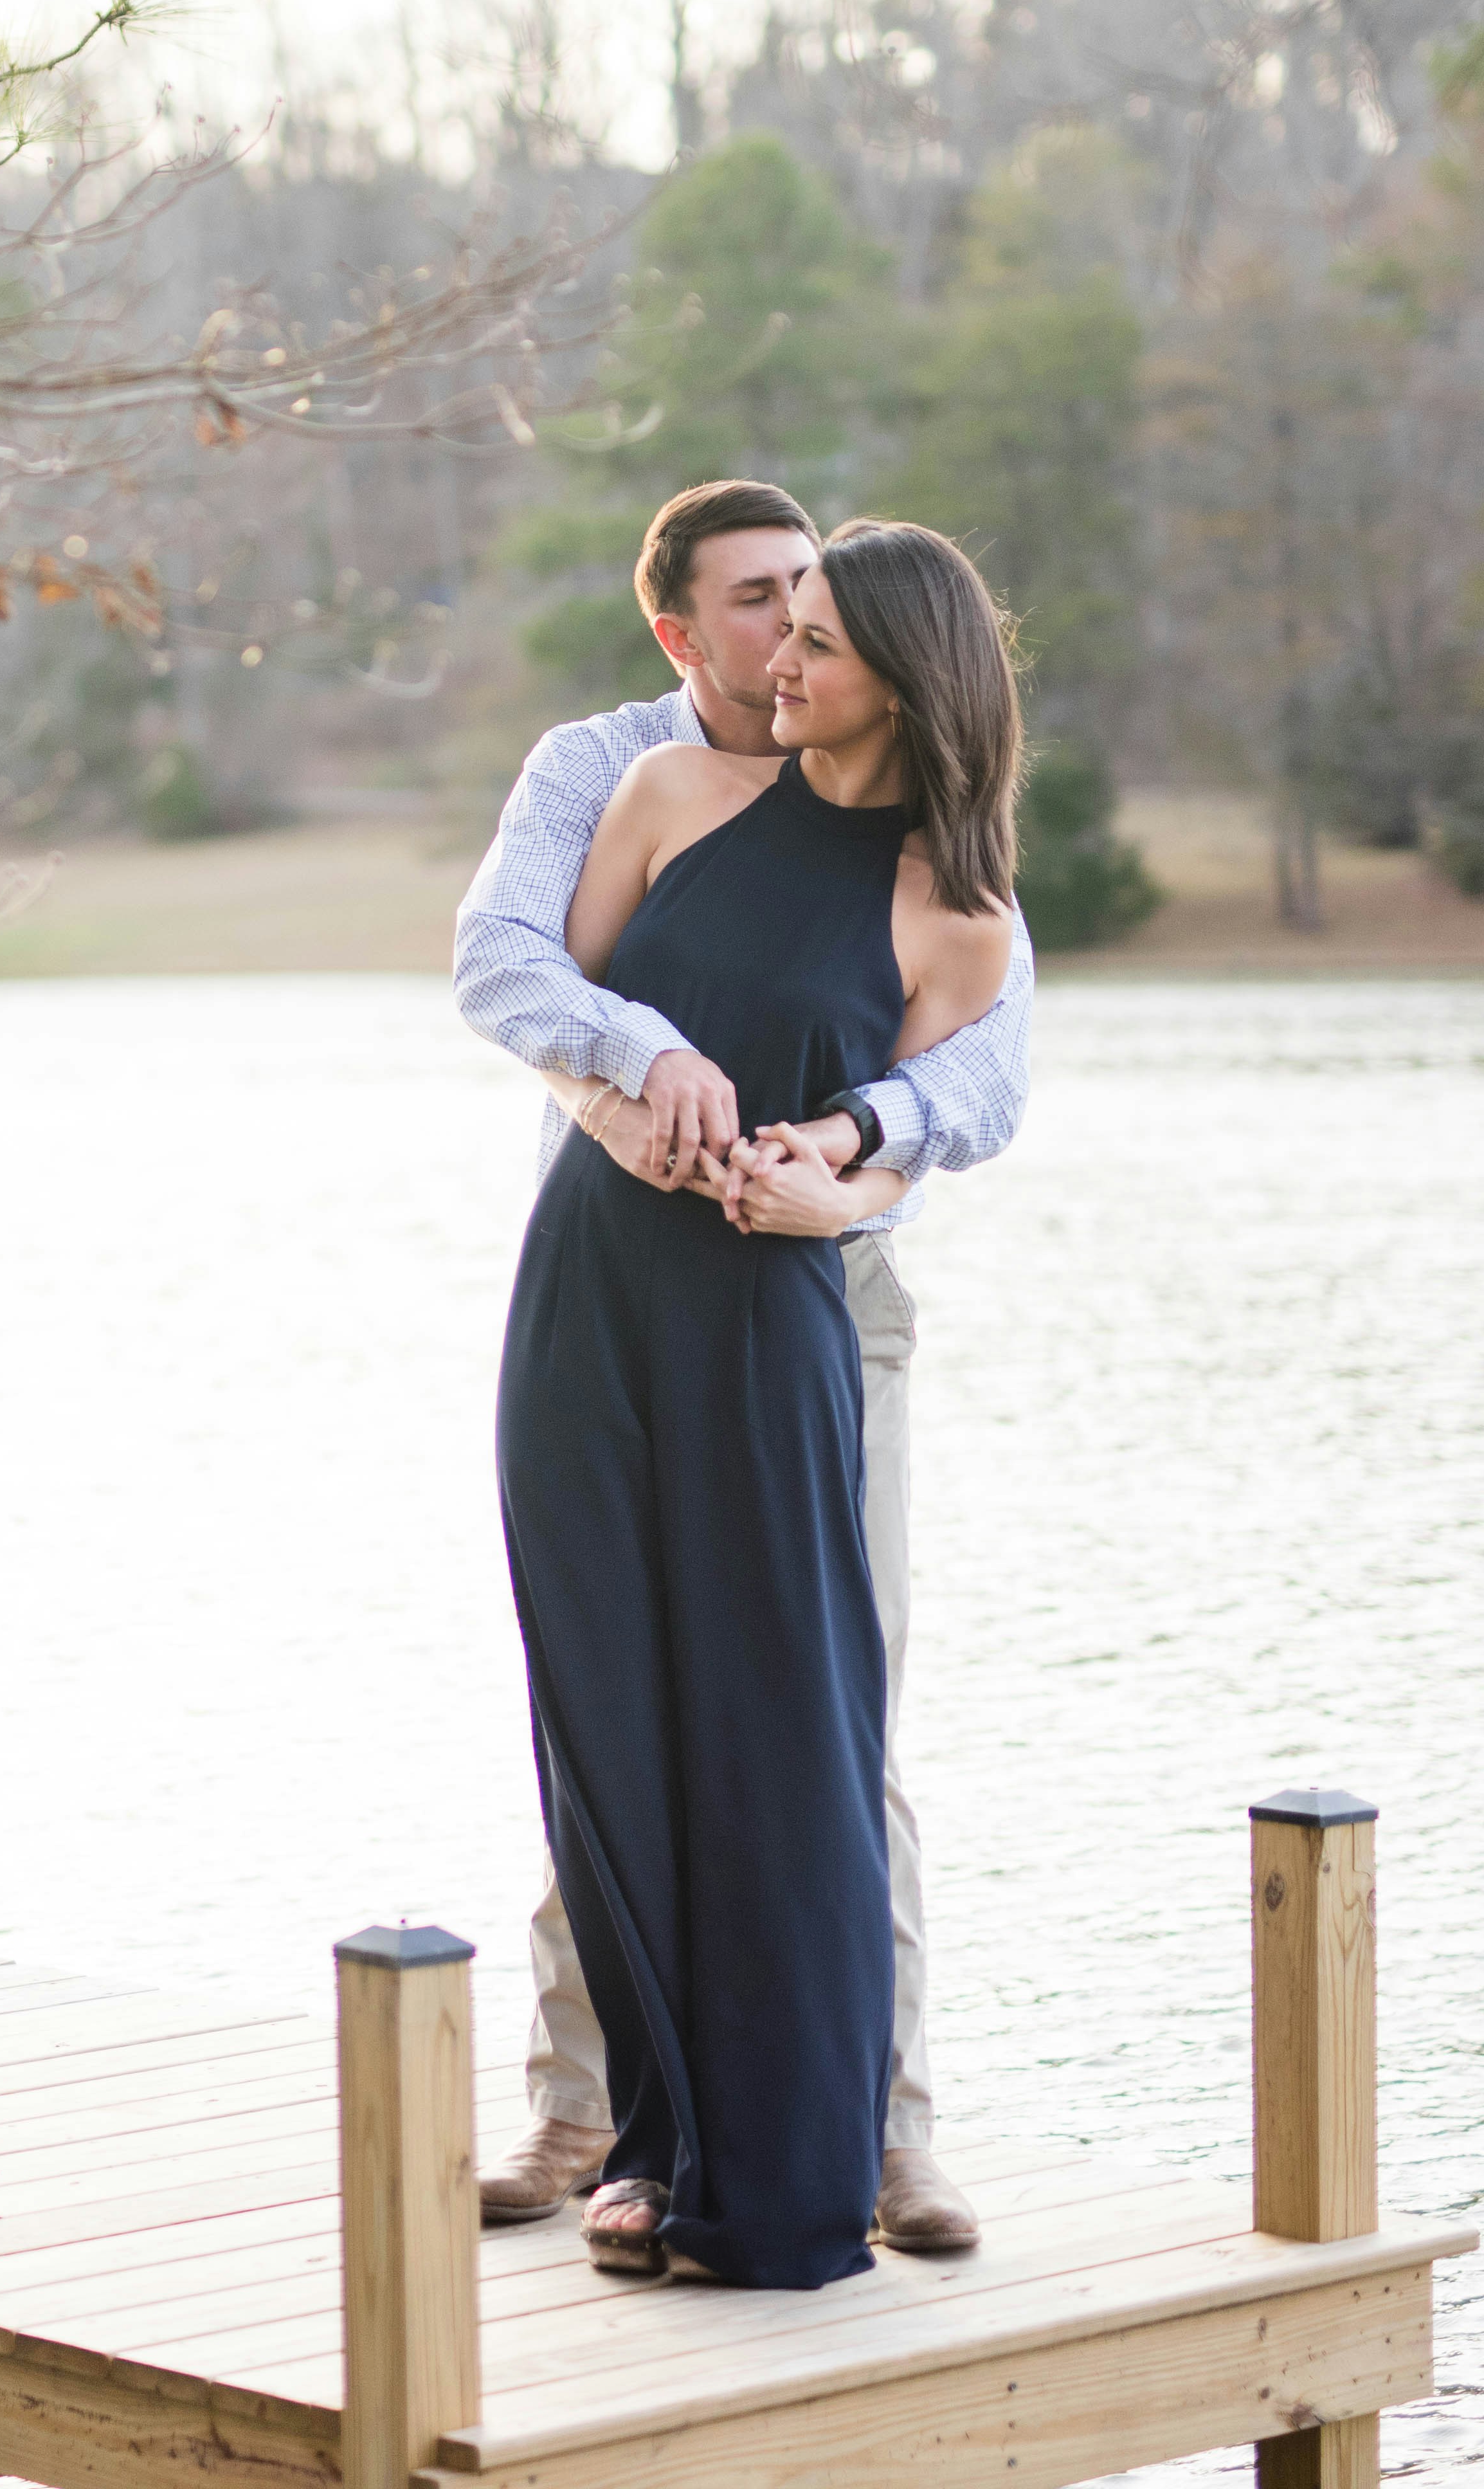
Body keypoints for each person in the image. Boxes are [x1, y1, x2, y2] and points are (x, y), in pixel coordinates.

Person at [474, 511, 1033, 2285]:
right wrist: (648, 1070)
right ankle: (639, 2145)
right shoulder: (648, 793)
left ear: (905, 677)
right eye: (770, 624)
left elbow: (956, 1105)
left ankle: (836, 2152)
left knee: (800, 1729)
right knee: (610, 1720)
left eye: (820, 638)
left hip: (787, 1315)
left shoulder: (963, 915)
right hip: (592, 1296)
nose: (782, 657)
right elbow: (540, 1000)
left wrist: (846, 1171)